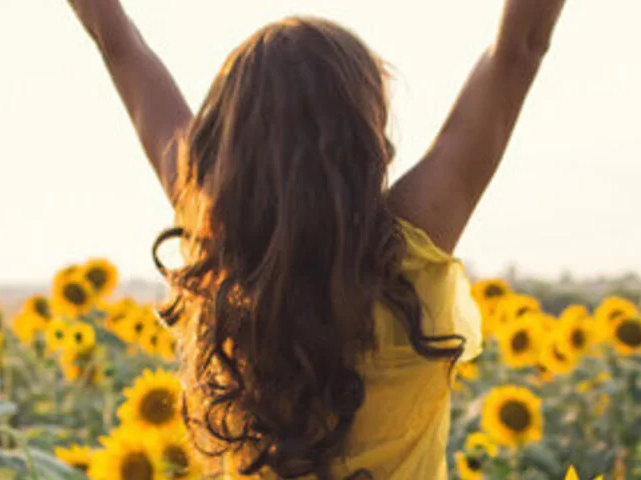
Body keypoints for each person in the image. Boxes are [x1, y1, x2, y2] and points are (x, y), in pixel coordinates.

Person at [66, 1, 566, 478]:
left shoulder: (216, 242)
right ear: (365, 136)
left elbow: (121, 49)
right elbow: (518, 51)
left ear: (231, 144)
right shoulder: (410, 251)